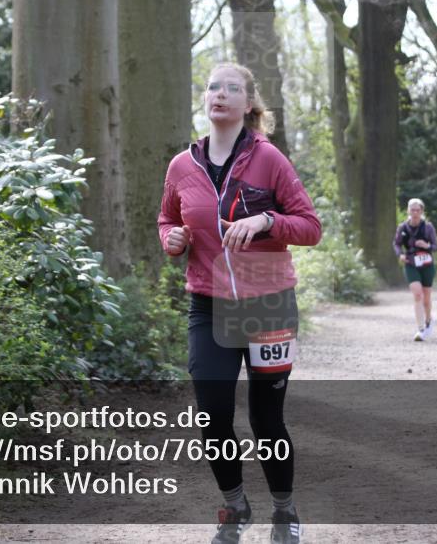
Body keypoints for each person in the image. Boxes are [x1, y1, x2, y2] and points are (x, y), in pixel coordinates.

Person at [158, 63, 321, 544]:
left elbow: (310, 226)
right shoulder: (181, 167)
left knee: (266, 419)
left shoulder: (270, 160)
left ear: (249, 104)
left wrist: (269, 221)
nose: (220, 94)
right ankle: (234, 506)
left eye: (232, 88)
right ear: (205, 99)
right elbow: (167, 217)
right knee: (211, 414)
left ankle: (285, 512)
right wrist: (173, 237)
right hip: (208, 305)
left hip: (268, 303)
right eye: (213, 87)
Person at [393, 198, 437, 341]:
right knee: (417, 295)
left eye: (418, 210)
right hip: (411, 263)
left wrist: (426, 246)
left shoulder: (428, 227)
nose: (415, 213)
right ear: (408, 211)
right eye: (412, 210)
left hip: (426, 265)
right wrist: (400, 254)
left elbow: (435, 247)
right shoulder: (403, 228)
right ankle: (421, 328)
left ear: (422, 211)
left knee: (426, 298)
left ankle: (428, 320)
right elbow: (396, 244)